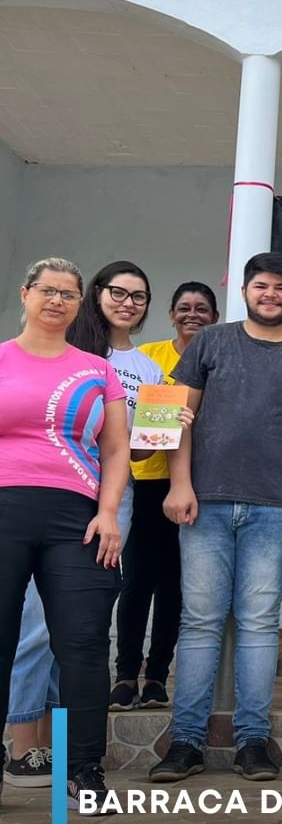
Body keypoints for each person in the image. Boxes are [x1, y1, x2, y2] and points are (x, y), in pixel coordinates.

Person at [149, 253, 282, 783]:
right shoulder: (211, 342)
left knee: (257, 625)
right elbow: (176, 420)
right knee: (201, 621)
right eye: (260, 286)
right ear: (246, 292)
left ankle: (253, 742)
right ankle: (184, 742)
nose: (270, 294)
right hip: (203, 503)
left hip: (274, 508)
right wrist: (180, 484)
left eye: (280, 286)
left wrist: (281, 450)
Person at [5, 260, 161, 788]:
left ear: (79, 303)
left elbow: (117, 449)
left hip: (80, 518)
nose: (57, 301)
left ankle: (83, 772)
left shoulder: (99, 370)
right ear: (25, 295)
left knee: (85, 643)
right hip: (6, 511)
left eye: (67, 294)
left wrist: (110, 512)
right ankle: (15, 759)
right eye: (47, 291)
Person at [111, 281, 219, 711]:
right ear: (171, 314)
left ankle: (156, 676)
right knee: (136, 581)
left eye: (202, 309)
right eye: (184, 308)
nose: (193, 315)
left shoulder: (219, 358)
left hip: (197, 486)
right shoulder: (150, 358)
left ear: (214, 317)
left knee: (176, 587)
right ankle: (124, 676)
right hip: (147, 479)